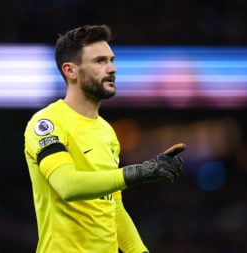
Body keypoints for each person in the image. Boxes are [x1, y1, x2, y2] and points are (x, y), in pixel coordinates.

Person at [24, 24, 185, 253]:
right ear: (70, 71)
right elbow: (66, 185)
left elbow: (113, 208)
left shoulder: (107, 131)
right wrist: (139, 172)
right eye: (100, 61)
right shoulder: (47, 123)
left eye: (111, 60)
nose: (112, 69)